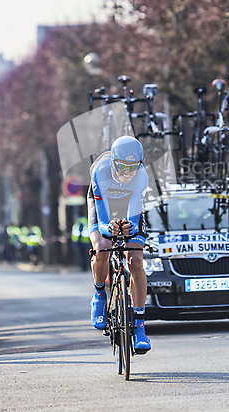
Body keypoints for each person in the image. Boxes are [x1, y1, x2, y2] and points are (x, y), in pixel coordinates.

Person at [87, 135, 151, 353]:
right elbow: (103, 219)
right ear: (113, 162)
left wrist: (129, 229)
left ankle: (140, 327)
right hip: (104, 205)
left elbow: (134, 214)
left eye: (132, 167)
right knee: (103, 247)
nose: (127, 172)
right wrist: (109, 229)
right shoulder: (100, 171)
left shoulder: (141, 176)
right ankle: (99, 295)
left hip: (128, 205)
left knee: (135, 259)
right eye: (122, 166)